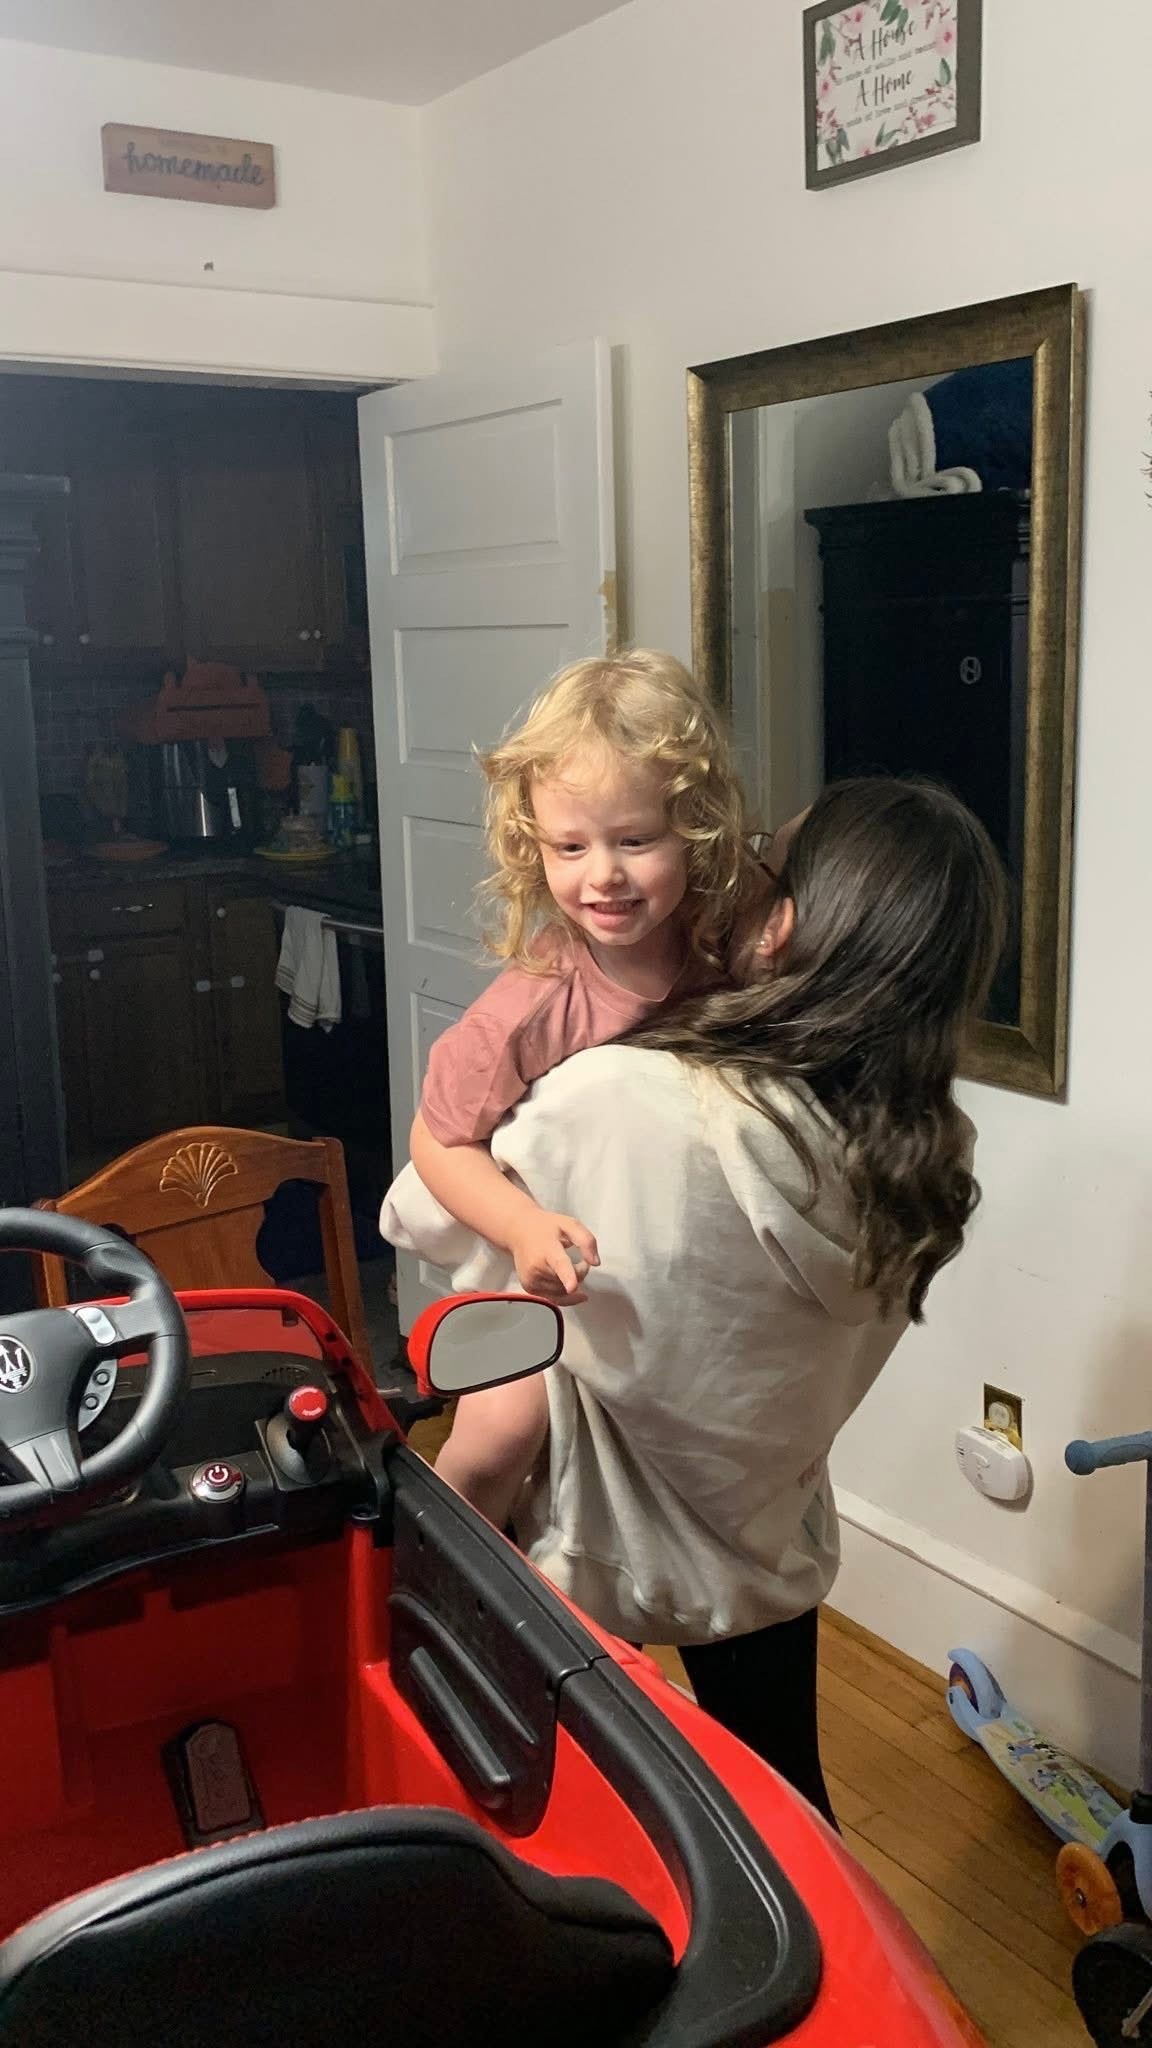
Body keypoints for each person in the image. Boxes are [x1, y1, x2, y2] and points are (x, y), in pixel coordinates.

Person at [383, 778, 1007, 1824]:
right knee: (785, 1804)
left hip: (591, 1535)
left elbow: (427, 1210)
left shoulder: (622, 1097)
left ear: (786, 923)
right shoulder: (922, 1153)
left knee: (579, 1812)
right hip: (759, 1519)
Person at [405, 648, 762, 1529]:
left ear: (698, 832)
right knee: (501, 1436)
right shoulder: (531, 1005)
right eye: (570, 847)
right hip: (525, 1246)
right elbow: (435, 1141)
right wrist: (522, 1228)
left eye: (634, 840)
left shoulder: (725, 951)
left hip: (646, 1251)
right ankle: (436, 1575)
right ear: (536, 847)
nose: (601, 874)